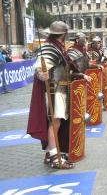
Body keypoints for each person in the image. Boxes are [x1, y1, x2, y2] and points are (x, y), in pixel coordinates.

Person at [26, 21, 75, 169]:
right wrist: (43, 73)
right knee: (55, 123)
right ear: (64, 34)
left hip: (60, 89)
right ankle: (55, 158)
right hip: (55, 90)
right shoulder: (50, 47)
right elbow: (40, 69)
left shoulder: (56, 47)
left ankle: (50, 154)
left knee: (56, 122)